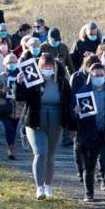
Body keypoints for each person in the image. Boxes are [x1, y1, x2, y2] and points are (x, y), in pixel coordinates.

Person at [15, 53, 73, 200]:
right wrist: (19, 83)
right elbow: (19, 97)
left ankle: (48, 185)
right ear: (39, 67)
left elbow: (70, 102)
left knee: (50, 156)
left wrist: (71, 125)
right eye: (44, 66)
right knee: (40, 153)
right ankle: (39, 187)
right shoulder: (33, 81)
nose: (48, 68)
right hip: (35, 122)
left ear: (54, 66)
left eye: (50, 66)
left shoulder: (62, 82)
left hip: (55, 123)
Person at [71, 63, 105, 203]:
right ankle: (89, 193)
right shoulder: (82, 92)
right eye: (96, 75)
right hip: (88, 135)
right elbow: (71, 112)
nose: (99, 77)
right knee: (89, 166)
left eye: (102, 75)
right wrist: (75, 112)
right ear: (91, 76)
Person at [0, 53, 23, 160]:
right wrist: (2, 91)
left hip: (18, 108)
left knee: (14, 129)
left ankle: (11, 144)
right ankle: (11, 148)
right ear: (6, 64)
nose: (12, 64)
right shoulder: (1, 76)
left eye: (14, 62)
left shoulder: (21, 75)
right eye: (10, 62)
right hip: (5, 107)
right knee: (8, 128)